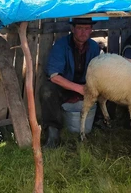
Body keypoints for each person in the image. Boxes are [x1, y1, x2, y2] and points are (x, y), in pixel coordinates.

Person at [40, 17, 101, 148]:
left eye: (87, 28)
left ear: (91, 30)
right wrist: (78, 89)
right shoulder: (61, 46)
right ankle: (53, 133)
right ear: (72, 29)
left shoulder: (94, 47)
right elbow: (54, 75)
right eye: (79, 28)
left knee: (109, 86)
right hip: (65, 86)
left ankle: (100, 122)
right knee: (47, 90)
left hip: (86, 85)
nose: (83, 32)